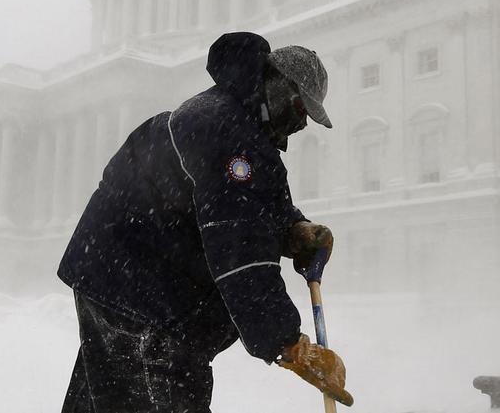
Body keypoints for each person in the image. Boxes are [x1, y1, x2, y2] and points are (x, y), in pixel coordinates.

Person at [58, 31, 352, 413]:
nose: (302, 125)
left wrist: (292, 231)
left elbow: (245, 208)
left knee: (112, 397)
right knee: (162, 396)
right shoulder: (231, 136)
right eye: (300, 109)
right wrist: (291, 345)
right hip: (146, 297)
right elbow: (239, 248)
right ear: (278, 86)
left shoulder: (231, 124)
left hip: (119, 281)